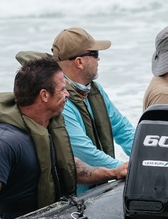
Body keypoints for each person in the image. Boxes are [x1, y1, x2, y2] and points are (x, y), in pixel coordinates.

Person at [0, 57, 129, 219]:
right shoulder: (3, 142)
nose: (67, 94)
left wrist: (114, 172)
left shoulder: (49, 127)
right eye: (62, 89)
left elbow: (72, 168)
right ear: (44, 95)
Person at [52, 27, 133, 194]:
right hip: (74, 197)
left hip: (99, 188)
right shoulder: (60, 100)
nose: (99, 59)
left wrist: (150, 157)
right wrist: (126, 169)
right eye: (95, 54)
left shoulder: (94, 90)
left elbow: (122, 128)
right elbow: (85, 153)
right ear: (79, 62)